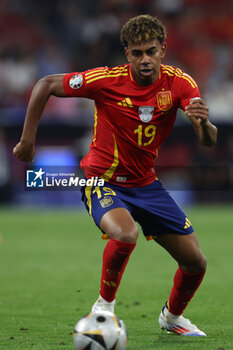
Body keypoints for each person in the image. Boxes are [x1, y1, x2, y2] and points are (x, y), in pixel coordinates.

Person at [13, 15, 217, 336]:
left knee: (196, 264)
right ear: (127, 54)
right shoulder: (106, 80)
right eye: (137, 53)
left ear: (163, 49)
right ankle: (103, 309)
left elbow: (208, 140)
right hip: (101, 181)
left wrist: (204, 124)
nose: (145, 59)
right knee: (125, 233)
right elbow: (45, 85)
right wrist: (27, 141)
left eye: (151, 51)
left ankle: (172, 318)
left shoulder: (180, 83)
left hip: (147, 185)